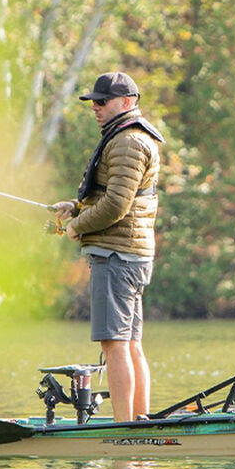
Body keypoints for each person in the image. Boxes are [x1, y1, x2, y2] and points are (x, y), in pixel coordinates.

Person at [53, 71, 164, 423]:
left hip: (116, 256)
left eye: (102, 102)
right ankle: (138, 423)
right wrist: (77, 208)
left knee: (114, 344)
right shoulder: (128, 137)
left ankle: (123, 428)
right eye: (93, 102)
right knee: (129, 343)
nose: (95, 108)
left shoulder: (128, 141)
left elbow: (117, 206)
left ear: (127, 102)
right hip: (127, 254)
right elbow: (113, 195)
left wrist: (76, 226)